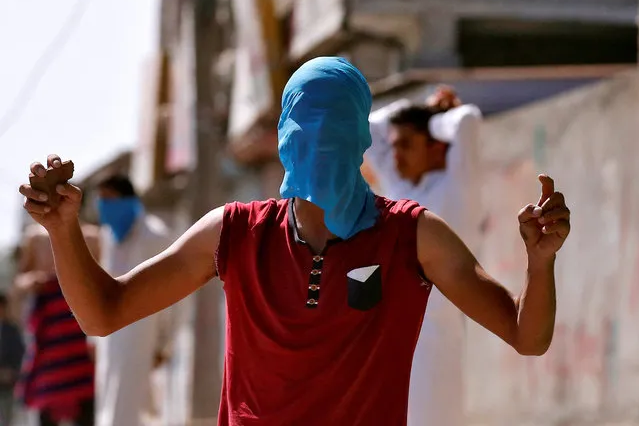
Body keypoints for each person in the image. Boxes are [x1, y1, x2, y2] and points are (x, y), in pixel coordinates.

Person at [18, 57, 571, 426]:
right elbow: (104, 313)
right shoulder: (232, 232)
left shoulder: (413, 235)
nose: (318, 142)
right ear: (283, 137)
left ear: (360, 138)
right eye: (306, 127)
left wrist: (540, 264)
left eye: (334, 127)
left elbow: (526, 335)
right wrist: (63, 231)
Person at [366, 86, 482, 426]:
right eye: (395, 144)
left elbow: (468, 121)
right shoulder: (400, 188)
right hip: (388, 340)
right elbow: (372, 127)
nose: (395, 155)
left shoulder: (459, 187)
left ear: (434, 148)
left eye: (406, 144)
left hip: (435, 347)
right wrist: (419, 109)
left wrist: (435, 119)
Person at [90, 174, 176, 426]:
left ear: (127, 199)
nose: (103, 205)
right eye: (100, 199)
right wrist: (94, 337)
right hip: (111, 337)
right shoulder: (109, 237)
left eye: (109, 198)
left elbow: (173, 295)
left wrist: (164, 343)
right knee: (109, 405)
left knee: (136, 409)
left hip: (143, 335)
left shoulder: (156, 237)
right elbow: (104, 285)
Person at [13, 224, 99, 426]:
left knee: (86, 413)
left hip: (79, 344)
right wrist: (30, 282)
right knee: (47, 414)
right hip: (49, 351)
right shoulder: (35, 237)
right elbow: (20, 280)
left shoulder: (90, 236)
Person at [0, 293, 25, 426]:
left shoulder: (12, 330)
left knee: (6, 418)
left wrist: (11, 371)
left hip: (7, 383)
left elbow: (20, 352)